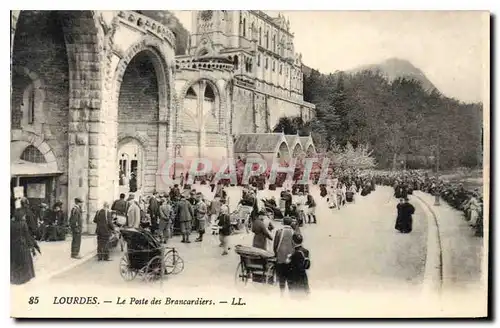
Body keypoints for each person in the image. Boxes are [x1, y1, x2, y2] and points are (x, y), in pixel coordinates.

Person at [11, 207, 40, 285]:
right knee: (24, 262)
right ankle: (23, 278)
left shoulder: (10, 223)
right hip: (22, 246)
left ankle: (14, 278)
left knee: (14, 262)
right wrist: (32, 247)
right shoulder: (23, 223)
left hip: (12, 246)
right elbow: (27, 236)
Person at [273, 217, 295, 295]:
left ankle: (282, 293)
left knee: (281, 276)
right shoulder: (293, 232)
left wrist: (276, 254)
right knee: (290, 277)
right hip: (290, 258)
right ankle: (291, 293)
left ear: (283, 222)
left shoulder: (279, 232)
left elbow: (275, 245)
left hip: (280, 257)